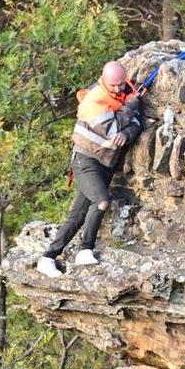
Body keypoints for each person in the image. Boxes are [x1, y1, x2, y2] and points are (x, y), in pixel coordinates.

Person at [36, 61, 141, 277]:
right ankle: (86, 250)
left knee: (77, 216)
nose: (118, 89)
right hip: (86, 160)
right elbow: (113, 129)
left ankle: (47, 258)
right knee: (101, 201)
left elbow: (136, 124)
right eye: (113, 86)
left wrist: (127, 132)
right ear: (104, 80)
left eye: (121, 84)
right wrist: (130, 107)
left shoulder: (125, 91)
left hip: (105, 164)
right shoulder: (94, 101)